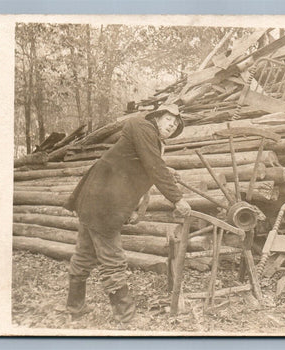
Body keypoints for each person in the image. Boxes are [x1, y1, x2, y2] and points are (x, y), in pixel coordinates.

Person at [63, 104, 191, 323]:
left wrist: (165, 171)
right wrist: (177, 198)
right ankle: (126, 316)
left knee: (84, 254)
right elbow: (153, 166)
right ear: (157, 118)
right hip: (102, 202)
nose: (172, 125)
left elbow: (139, 163)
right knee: (113, 259)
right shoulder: (142, 126)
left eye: (176, 124)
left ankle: (75, 307)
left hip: (94, 198)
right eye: (169, 119)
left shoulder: (149, 137)